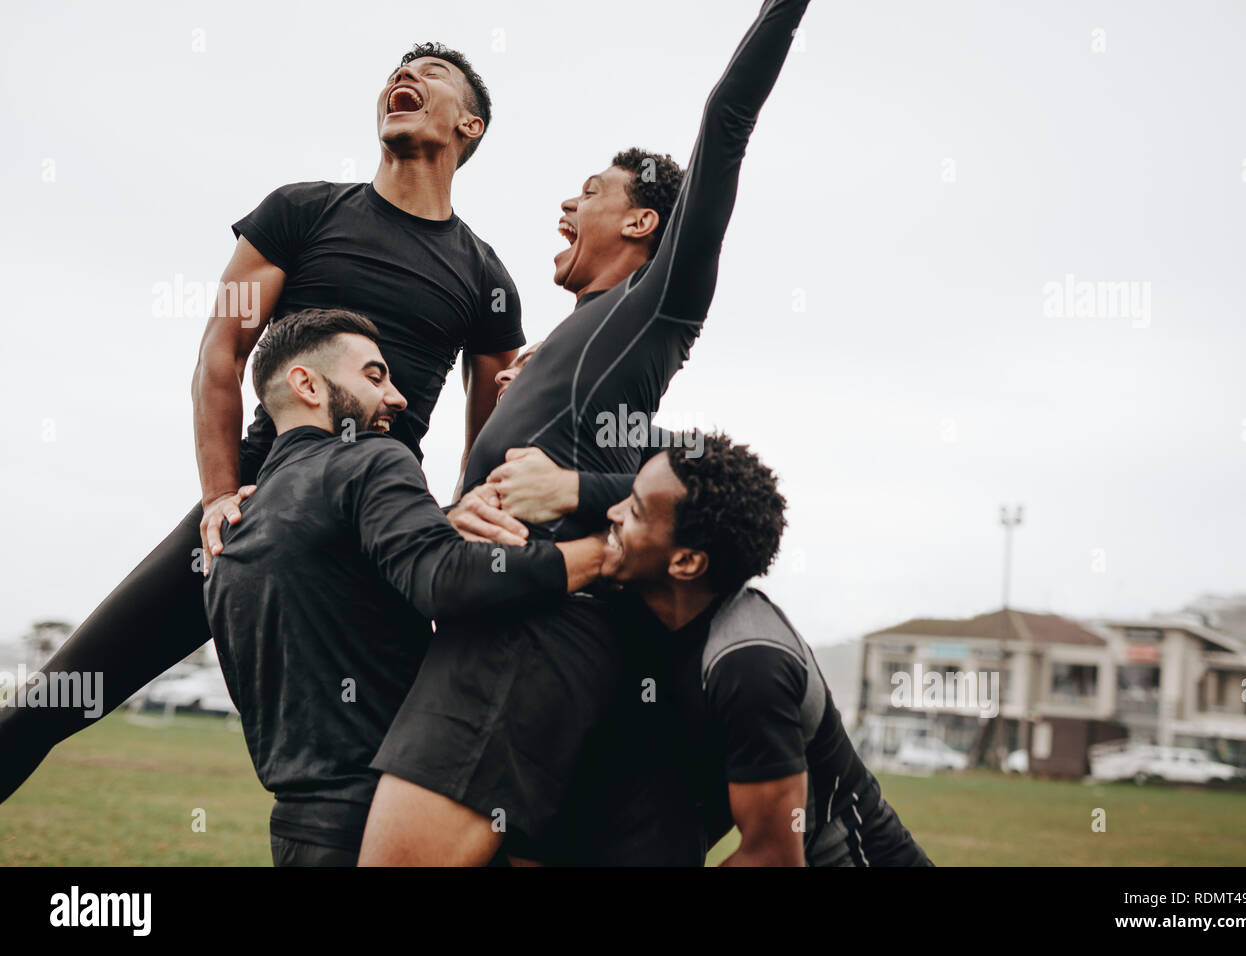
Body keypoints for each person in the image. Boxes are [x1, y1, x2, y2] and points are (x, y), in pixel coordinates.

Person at [0, 42, 521, 802]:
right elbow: (221, 354)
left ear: (469, 126)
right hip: (253, 500)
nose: (403, 78)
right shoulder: (299, 213)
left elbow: (491, 434)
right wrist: (218, 497)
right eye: (396, 72)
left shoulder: (486, 279)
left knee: (422, 771)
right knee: (53, 701)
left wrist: (446, 533)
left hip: (377, 525)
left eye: (431, 74)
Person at [359, 0, 813, 866]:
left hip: (532, 639)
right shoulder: (573, 338)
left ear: (644, 224)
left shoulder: (654, 311)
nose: (567, 204)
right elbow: (642, 463)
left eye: (592, 193)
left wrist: (570, 491)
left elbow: (726, 123)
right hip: (503, 623)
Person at [204, 309, 604, 866]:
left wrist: (440, 518)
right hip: (396, 823)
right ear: (307, 384)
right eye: (374, 377)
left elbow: (345, 585)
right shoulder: (369, 459)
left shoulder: (234, 524)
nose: (396, 398)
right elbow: (444, 580)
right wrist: (603, 555)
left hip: (298, 833)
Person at [600, 433, 934, 867]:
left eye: (635, 510)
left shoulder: (748, 664)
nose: (612, 511)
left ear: (685, 562)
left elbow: (773, 858)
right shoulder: (668, 608)